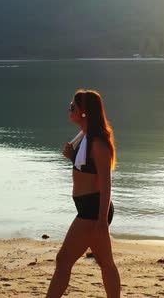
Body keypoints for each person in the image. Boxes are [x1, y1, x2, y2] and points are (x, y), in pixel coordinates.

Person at [46, 89, 121, 298]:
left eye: (73, 107)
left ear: (84, 113)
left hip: (93, 211)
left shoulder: (98, 144)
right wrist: (72, 157)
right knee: (106, 263)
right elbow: (88, 172)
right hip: (89, 209)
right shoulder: (86, 138)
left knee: (63, 260)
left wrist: (100, 222)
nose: (69, 110)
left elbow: (106, 184)